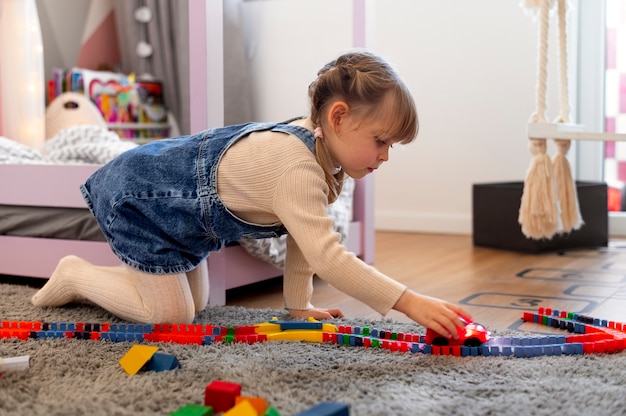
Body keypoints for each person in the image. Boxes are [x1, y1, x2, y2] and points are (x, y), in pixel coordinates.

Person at [32, 50, 471, 340]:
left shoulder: (319, 148)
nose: (386, 156)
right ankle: (75, 274)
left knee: (197, 305)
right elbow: (328, 256)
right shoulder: (296, 165)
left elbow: (302, 236)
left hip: (183, 223)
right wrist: (409, 301)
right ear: (339, 118)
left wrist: (299, 307)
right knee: (172, 318)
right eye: (381, 141)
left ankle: (130, 280)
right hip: (143, 200)